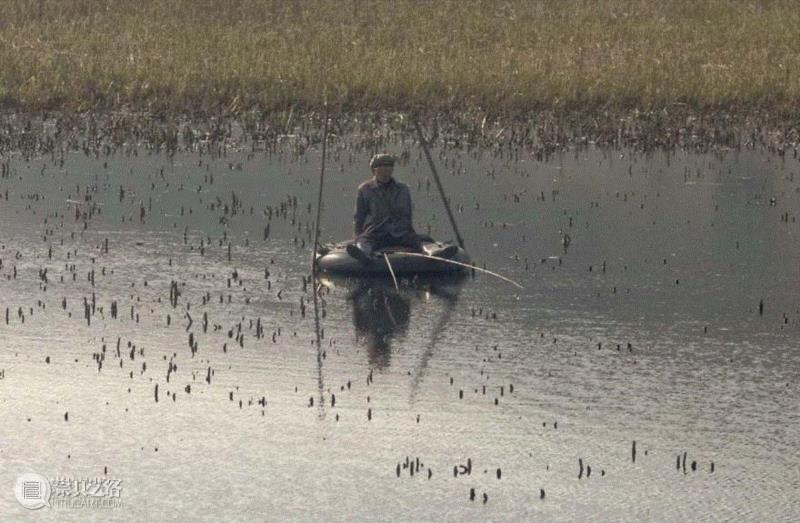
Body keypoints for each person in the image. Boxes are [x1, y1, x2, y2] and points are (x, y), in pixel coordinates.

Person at [347, 153, 457, 263]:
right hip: (376, 232)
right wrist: (357, 237)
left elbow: (408, 214)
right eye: (383, 166)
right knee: (364, 241)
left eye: (389, 166)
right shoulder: (365, 189)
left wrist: (410, 232)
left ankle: (434, 253)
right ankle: (363, 254)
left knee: (421, 240)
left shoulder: (403, 189)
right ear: (375, 169)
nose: (387, 169)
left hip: (400, 232)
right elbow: (359, 217)